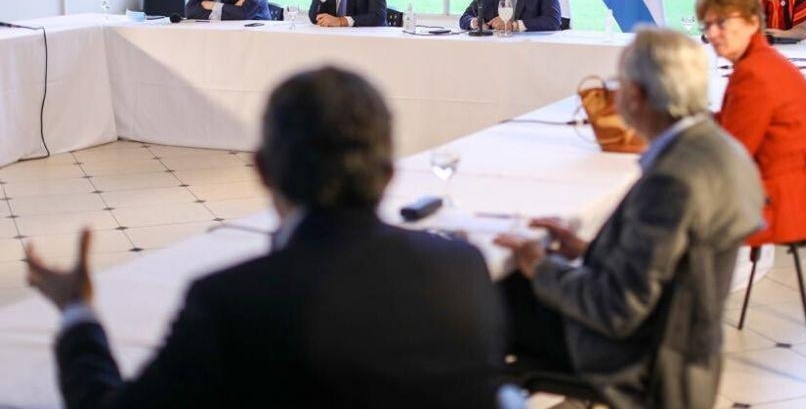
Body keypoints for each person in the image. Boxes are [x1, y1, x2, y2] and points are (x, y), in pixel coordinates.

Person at [26, 67, 506, 408]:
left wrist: (77, 312)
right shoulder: (462, 267)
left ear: (260, 169)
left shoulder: (229, 302)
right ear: (388, 174)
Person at [495, 28, 763, 409]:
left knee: (481, 294)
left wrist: (542, 268)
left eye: (618, 83)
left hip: (632, 357)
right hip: (685, 349)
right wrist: (584, 248)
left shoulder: (672, 180)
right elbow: (667, 266)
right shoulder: (721, 149)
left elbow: (618, 308)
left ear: (635, 95)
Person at [697, 0, 806, 247]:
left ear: (752, 23)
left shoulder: (753, 74)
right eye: (707, 26)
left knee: (677, 209)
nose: (713, 33)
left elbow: (735, 153)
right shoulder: (766, 60)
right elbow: (735, 122)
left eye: (723, 23)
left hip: (791, 206)